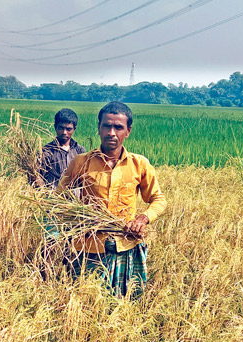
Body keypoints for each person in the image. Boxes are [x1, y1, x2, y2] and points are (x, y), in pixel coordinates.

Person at [58, 101, 166, 297]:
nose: (112, 133)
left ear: (128, 131)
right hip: (88, 248)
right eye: (107, 126)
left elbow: (158, 199)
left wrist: (142, 219)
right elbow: (60, 199)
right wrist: (78, 216)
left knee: (124, 303)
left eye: (118, 127)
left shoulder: (139, 164)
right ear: (99, 128)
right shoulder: (81, 162)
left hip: (126, 245)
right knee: (84, 302)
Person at [36, 108, 86, 187]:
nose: (64, 132)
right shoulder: (46, 152)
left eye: (68, 129)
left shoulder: (80, 151)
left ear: (74, 129)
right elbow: (36, 179)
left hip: (75, 198)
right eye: (61, 128)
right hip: (52, 197)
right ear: (55, 127)